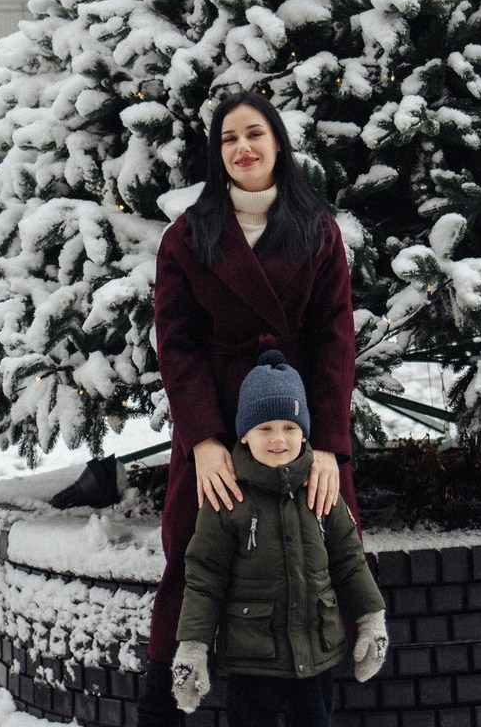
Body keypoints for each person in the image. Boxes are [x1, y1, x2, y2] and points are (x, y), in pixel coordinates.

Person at [140, 91, 361, 727]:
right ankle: (163, 712)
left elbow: (334, 342)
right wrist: (205, 439)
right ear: (217, 153)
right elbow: (176, 344)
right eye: (229, 138)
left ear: (277, 143)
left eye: (255, 133)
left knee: (315, 563)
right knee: (192, 561)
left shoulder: (317, 230)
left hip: (301, 430)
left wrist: (328, 449)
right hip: (217, 428)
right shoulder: (188, 236)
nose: (243, 148)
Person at [170, 350, 387, 724]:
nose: (278, 439)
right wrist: (192, 648)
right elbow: (204, 579)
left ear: (304, 433)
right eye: (265, 428)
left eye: (289, 427)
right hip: (253, 661)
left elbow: (350, 561)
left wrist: (371, 620)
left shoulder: (322, 492)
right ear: (244, 434)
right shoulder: (228, 499)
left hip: (316, 655)